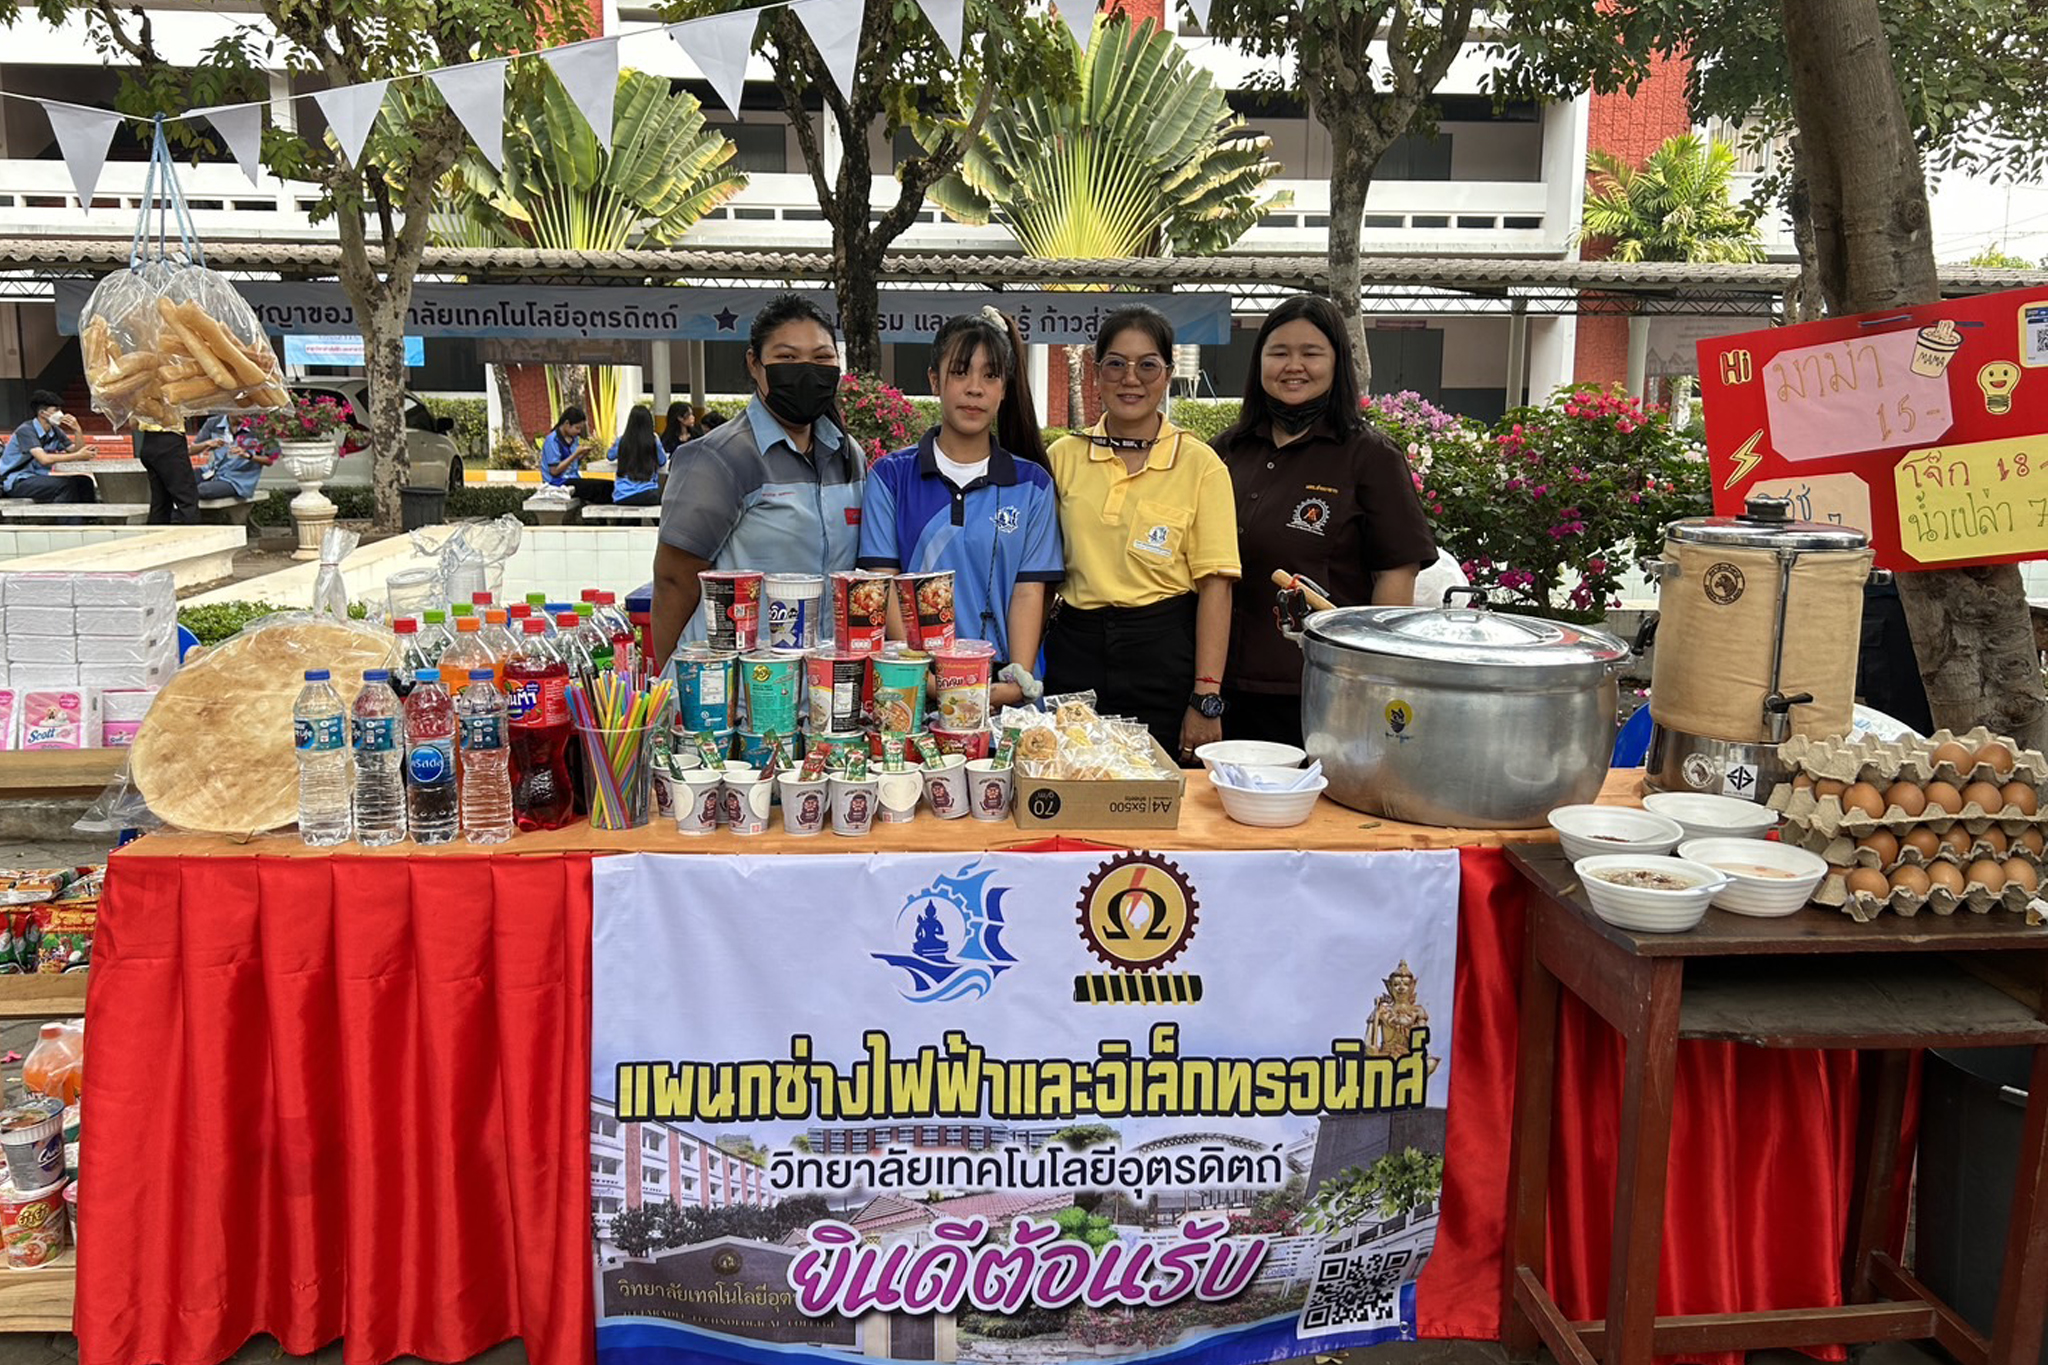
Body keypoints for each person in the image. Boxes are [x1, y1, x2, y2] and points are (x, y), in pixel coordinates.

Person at [1214, 295, 1437, 749]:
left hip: (1317, 692)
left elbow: (1395, 577)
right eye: (1278, 352)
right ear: (1259, 363)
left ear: (1337, 363)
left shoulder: (1369, 456)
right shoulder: (1225, 451)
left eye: (1311, 353)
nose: (1293, 365)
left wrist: (1370, 682)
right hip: (1218, 688)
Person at [1043, 305, 1239, 763]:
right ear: (1096, 374)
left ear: (1168, 374)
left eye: (1147, 365)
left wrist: (1205, 699)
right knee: (1075, 786)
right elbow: (1037, 577)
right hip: (1076, 652)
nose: (1131, 378)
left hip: (1163, 655)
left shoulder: (1200, 464)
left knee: (1164, 801)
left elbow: (1216, 588)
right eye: (1116, 363)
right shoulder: (1063, 457)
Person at [858, 309, 1063, 707]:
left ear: (1005, 388)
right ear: (935, 380)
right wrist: (924, 678)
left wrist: (1016, 681)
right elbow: (883, 585)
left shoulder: (1033, 485)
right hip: (914, 692)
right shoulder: (890, 477)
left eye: (990, 376)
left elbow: (1028, 592)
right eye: (960, 372)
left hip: (1003, 694)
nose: (975, 389)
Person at [651, 294, 865, 667]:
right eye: (786, 357)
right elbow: (673, 581)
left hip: (824, 693)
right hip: (736, 697)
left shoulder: (848, 456)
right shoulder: (719, 458)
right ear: (755, 363)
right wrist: (680, 680)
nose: (806, 370)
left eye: (821, 358)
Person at [0, 391, 95, 504]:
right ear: (42, 413)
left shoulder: (55, 431)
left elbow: (77, 452)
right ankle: (69, 521)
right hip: (16, 480)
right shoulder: (26, 431)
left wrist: (77, 430)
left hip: (37, 478)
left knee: (85, 482)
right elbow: (44, 459)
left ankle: (90, 520)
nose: (60, 413)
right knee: (64, 485)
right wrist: (78, 455)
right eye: (55, 410)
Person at [574, 406, 666, 508]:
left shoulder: (622, 440)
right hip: (647, 494)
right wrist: (657, 442)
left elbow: (610, 456)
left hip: (622, 495)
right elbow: (662, 461)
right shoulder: (653, 441)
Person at [133, 414, 199, 524]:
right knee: (187, 499)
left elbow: (133, 423)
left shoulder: (140, 398)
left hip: (148, 441)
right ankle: (192, 537)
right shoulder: (171, 396)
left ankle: (155, 536)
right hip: (169, 439)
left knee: (160, 501)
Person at [193, 415, 275, 501]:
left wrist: (249, 456)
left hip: (236, 480)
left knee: (202, 490)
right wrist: (206, 444)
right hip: (213, 471)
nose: (244, 413)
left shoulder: (259, 428)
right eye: (240, 409)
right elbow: (191, 450)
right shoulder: (213, 423)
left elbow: (270, 460)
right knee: (182, 480)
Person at [539, 406, 588, 487]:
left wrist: (582, 455)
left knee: (604, 486)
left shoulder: (574, 438)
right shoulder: (552, 440)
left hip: (573, 478)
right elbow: (554, 471)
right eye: (577, 428)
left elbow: (572, 464)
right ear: (567, 424)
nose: (579, 431)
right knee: (596, 488)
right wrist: (575, 454)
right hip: (557, 482)